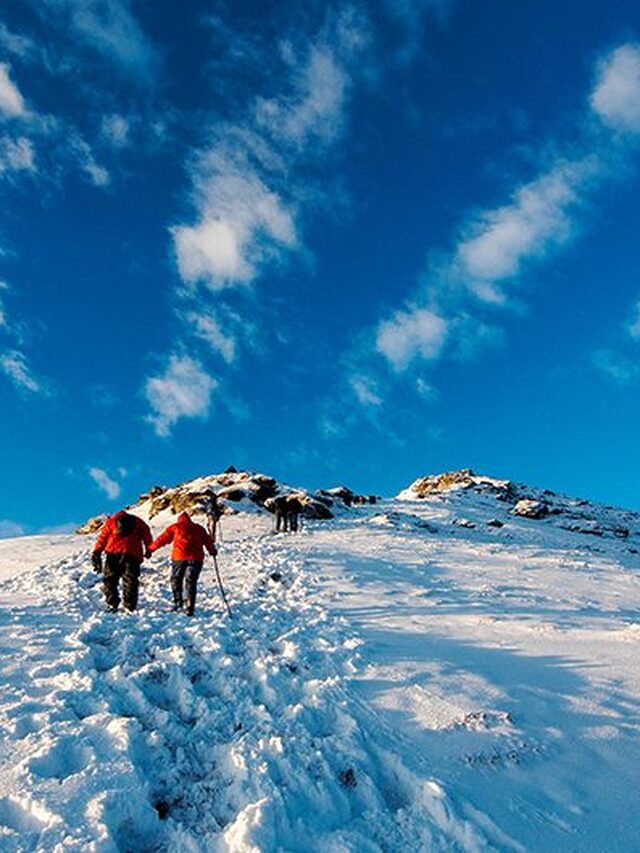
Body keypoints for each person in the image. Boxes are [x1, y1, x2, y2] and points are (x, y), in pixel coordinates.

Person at [149, 511, 216, 616]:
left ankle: (178, 602)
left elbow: (162, 539)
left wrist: (150, 549)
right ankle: (190, 606)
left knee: (176, 579)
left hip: (179, 557)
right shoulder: (199, 528)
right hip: (196, 558)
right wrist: (212, 551)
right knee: (191, 581)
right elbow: (208, 541)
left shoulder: (175, 527)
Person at [92, 511, 153, 613]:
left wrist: (97, 552)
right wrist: (148, 549)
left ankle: (112, 603)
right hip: (132, 554)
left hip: (113, 554)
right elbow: (147, 534)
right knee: (130, 581)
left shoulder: (111, 522)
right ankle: (130, 606)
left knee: (110, 580)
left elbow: (103, 537)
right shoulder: (138, 522)